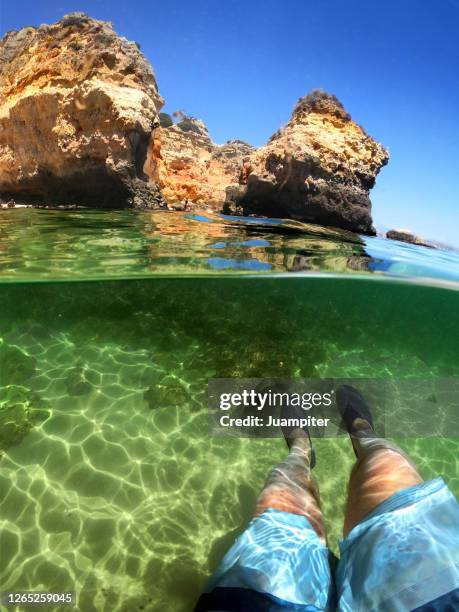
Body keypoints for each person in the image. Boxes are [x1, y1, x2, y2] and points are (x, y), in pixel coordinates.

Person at [196, 386, 459, 611]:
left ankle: (300, 448)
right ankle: (361, 434)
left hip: (258, 602)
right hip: (442, 588)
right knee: (384, 461)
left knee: (280, 487)